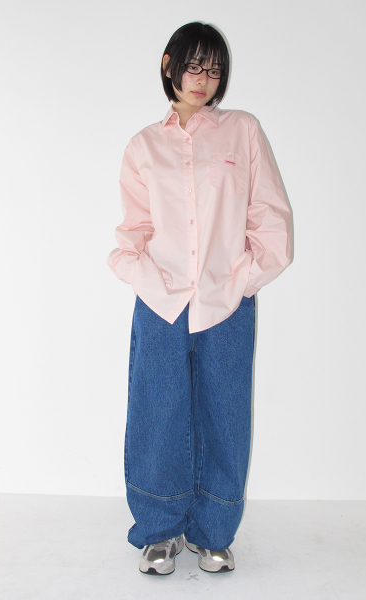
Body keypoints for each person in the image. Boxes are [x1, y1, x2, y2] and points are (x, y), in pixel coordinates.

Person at [107, 21, 294, 576]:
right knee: (157, 413)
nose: (203, 79)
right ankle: (159, 530)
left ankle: (213, 532)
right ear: (169, 65)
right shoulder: (143, 145)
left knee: (224, 415)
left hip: (226, 302)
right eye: (193, 65)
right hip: (161, 302)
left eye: (213, 70)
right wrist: (147, 280)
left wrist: (241, 281)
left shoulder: (242, 131)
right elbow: (132, 231)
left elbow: (271, 218)